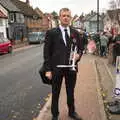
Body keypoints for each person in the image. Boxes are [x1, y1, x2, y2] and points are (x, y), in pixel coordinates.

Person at [43, 8, 84, 120]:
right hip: (56, 69)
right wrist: (47, 69)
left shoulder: (75, 32)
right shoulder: (51, 33)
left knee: (70, 92)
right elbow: (46, 53)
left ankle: (72, 112)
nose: (66, 17)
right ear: (60, 17)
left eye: (68, 16)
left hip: (71, 68)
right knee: (55, 92)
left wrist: (78, 56)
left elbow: (81, 48)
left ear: (70, 18)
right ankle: (55, 114)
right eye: (63, 15)